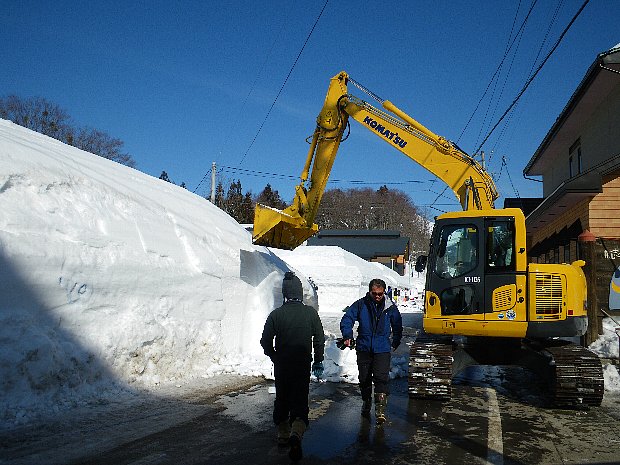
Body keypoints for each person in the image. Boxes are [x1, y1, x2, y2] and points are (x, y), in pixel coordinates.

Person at [260, 271, 325, 460]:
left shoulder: (276, 315)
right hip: (302, 363)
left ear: (285, 293)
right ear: (299, 292)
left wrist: (274, 356)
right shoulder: (311, 314)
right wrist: (318, 360)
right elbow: (319, 339)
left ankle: (283, 434)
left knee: (282, 398)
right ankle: (297, 432)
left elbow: (265, 341)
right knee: (299, 400)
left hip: (282, 365)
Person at [340, 278, 403, 425]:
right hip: (364, 347)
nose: (377, 296)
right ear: (370, 292)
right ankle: (366, 402)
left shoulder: (390, 307)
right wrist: (347, 335)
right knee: (364, 378)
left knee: (381, 378)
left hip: (382, 348)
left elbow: (397, 324)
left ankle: (380, 410)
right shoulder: (361, 304)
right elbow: (347, 318)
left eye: (380, 294)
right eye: (374, 293)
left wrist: (396, 340)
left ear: (384, 292)